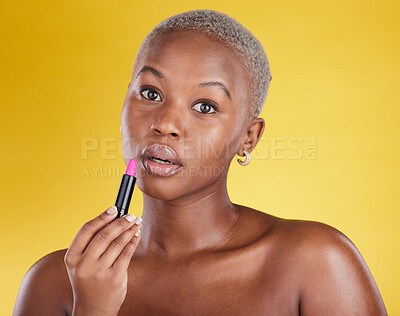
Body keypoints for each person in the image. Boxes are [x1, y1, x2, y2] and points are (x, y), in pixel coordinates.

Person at [13, 9, 387, 316]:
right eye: (150, 92)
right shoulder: (54, 283)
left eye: (205, 106)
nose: (165, 124)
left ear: (248, 137)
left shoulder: (316, 264)